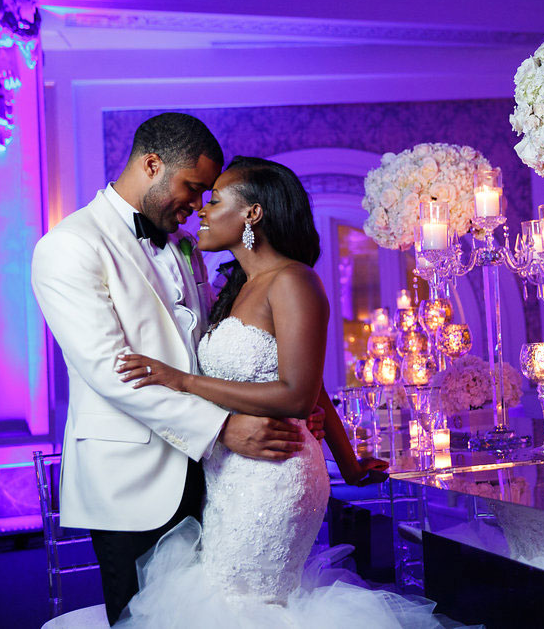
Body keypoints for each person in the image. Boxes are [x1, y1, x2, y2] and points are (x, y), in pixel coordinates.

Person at [111, 156, 449, 627]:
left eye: (215, 202)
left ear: (252, 213)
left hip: (275, 474)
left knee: (244, 602)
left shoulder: (294, 281)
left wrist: (181, 380)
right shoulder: (241, 286)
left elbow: (297, 394)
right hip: (229, 472)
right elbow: (318, 390)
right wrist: (349, 463)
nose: (202, 213)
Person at [31, 114, 325, 625]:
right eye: (192, 189)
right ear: (151, 165)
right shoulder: (69, 245)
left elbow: (208, 349)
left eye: (207, 195)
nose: (196, 208)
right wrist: (223, 429)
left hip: (217, 479)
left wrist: (297, 409)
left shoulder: (186, 247)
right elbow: (111, 371)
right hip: (133, 481)